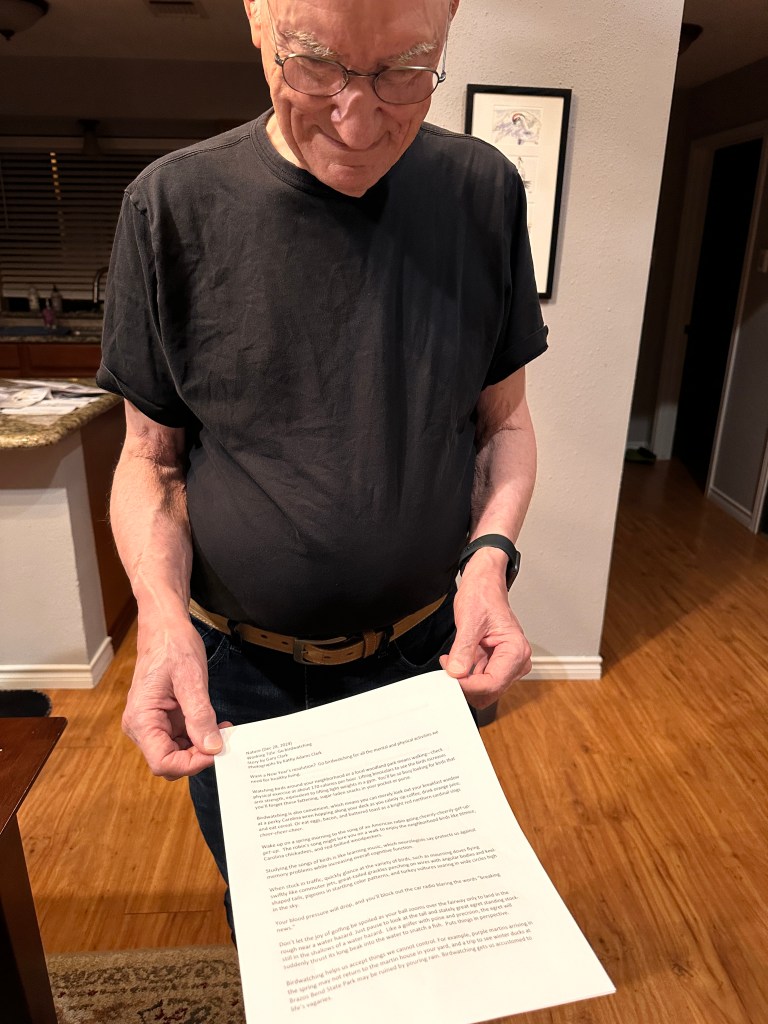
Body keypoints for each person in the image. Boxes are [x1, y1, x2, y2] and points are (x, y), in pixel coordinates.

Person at [97, 0, 548, 931]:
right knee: (280, 926)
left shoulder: (484, 192)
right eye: (316, 65)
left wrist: (490, 559)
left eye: (406, 71)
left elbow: (503, 424)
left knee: (419, 923)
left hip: (429, 660)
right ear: (258, 20)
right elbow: (151, 461)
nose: (358, 118)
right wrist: (160, 619)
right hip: (238, 677)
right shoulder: (169, 206)